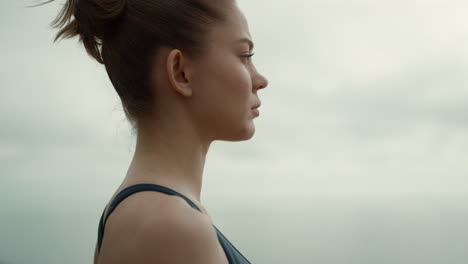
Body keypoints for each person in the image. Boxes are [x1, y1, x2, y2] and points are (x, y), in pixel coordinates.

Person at [36, 0, 268, 263]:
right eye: (244, 56)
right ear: (180, 72)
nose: (261, 80)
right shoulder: (170, 226)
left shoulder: (145, 213)